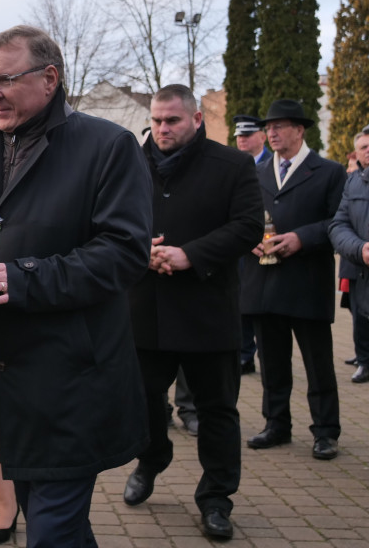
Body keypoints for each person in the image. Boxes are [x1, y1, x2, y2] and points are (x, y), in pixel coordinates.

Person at [0, 25, 151, 548]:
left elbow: (124, 253)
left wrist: (23, 277)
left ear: (49, 78)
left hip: (71, 381)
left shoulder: (108, 146)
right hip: (7, 380)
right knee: (53, 523)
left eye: (6, 79)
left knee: (52, 532)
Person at [122, 85, 263, 540]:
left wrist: (191, 255)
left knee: (217, 411)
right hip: (144, 311)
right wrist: (137, 250)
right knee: (140, 402)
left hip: (208, 313)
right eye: (157, 121)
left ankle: (216, 498)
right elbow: (102, 222)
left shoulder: (233, 165)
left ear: (196, 119)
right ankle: (152, 458)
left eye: (173, 121)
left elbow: (247, 227)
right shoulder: (130, 165)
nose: (162, 129)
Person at [241, 99, 345, 461]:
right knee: (271, 360)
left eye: (279, 126)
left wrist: (303, 238)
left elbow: (338, 223)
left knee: (317, 362)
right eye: (268, 127)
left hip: (306, 282)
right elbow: (243, 218)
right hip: (263, 281)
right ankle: (276, 424)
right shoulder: (255, 172)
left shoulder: (329, 172)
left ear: (300, 130)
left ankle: (326, 431)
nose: (271, 132)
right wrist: (250, 237)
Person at [233, 114, 271, 376]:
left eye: (247, 135)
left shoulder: (273, 164)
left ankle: (264, 353)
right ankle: (245, 355)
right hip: (244, 249)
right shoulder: (233, 165)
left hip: (273, 245)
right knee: (242, 304)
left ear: (262, 136)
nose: (242, 140)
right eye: (239, 136)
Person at [336, 129, 369, 381]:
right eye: (363, 147)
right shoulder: (353, 181)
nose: (367, 151)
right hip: (359, 264)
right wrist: (358, 248)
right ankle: (365, 360)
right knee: (360, 317)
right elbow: (339, 224)